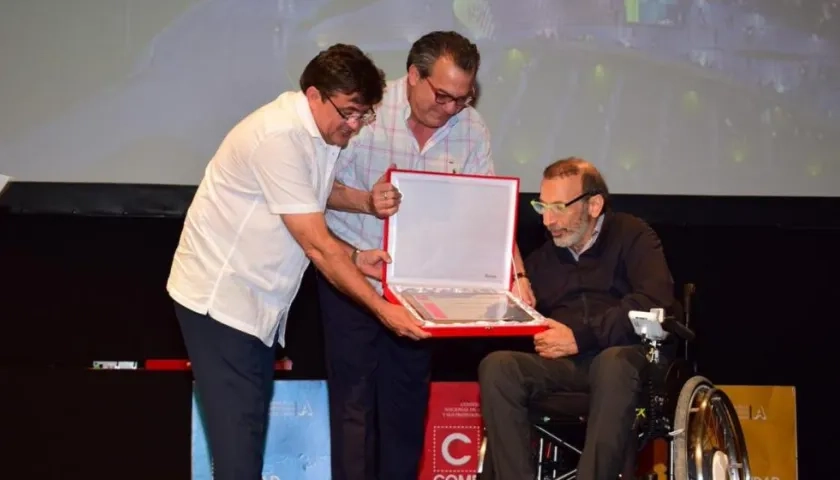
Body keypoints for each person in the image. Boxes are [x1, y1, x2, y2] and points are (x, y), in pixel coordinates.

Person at [165, 44, 429, 480]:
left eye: (364, 115)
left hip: (257, 305)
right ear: (313, 95)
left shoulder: (322, 132)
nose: (355, 125)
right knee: (238, 444)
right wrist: (384, 310)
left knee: (246, 433)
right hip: (220, 302)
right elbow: (317, 245)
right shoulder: (278, 137)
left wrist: (360, 240)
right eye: (349, 112)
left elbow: (316, 194)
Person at [321, 31, 536, 480]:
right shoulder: (369, 111)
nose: (452, 107)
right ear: (414, 76)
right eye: (443, 95)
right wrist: (365, 201)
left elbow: (488, 213)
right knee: (353, 407)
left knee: (405, 408)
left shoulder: (471, 128)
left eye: (463, 97)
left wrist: (516, 275)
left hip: (422, 293)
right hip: (353, 276)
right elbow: (316, 191)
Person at [478, 157, 677, 480]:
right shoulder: (542, 261)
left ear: (594, 204)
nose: (548, 220)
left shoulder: (631, 235)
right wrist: (511, 295)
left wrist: (581, 336)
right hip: (569, 369)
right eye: (542, 207)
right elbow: (523, 323)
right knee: (499, 366)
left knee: (612, 362)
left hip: (630, 361)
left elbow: (652, 301)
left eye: (558, 206)